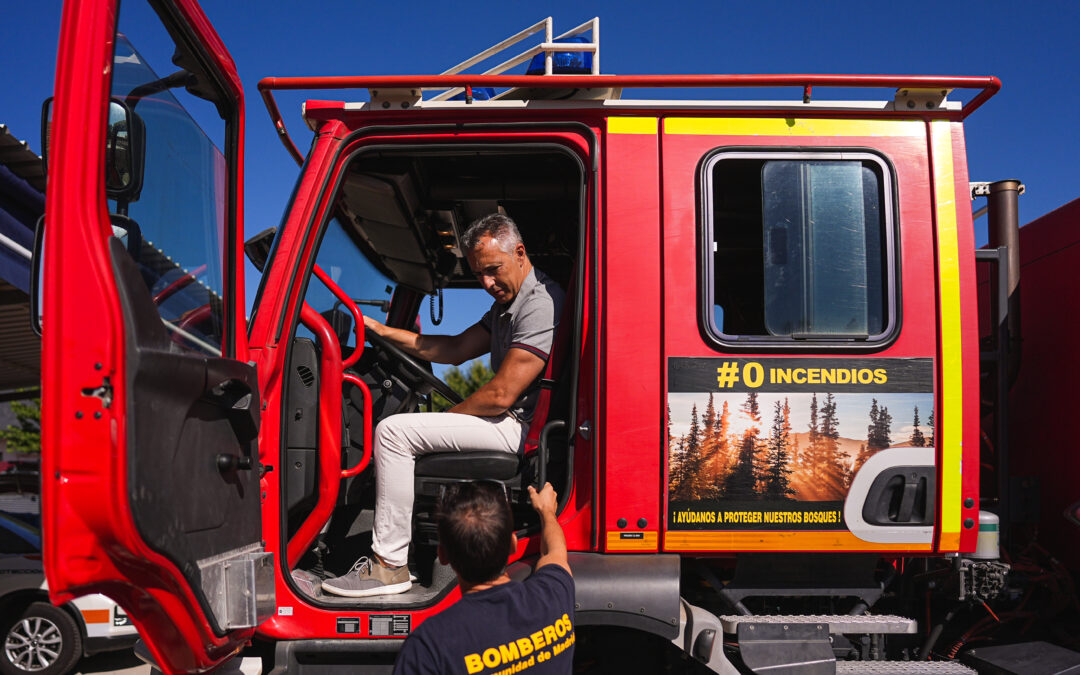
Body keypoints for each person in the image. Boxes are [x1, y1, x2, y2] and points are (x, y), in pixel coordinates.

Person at [322, 213, 565, 597]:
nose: (487, 283)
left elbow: (501, 394)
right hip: (508, 420)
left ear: (520, 253)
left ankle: (389, 566)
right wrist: (381, 330)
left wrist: (445, 419)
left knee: (393, 433)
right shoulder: (507, 305)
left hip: (519, 428)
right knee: (406, 430)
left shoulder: (539, 304)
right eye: (478, 274)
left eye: (493, 270)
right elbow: (453, 349)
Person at [393, 481, 574, 675]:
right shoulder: (554, 595)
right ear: (513, 546)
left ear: (443, 556)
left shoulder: (428, 648)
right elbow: (554, 552)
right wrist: (547, 511)